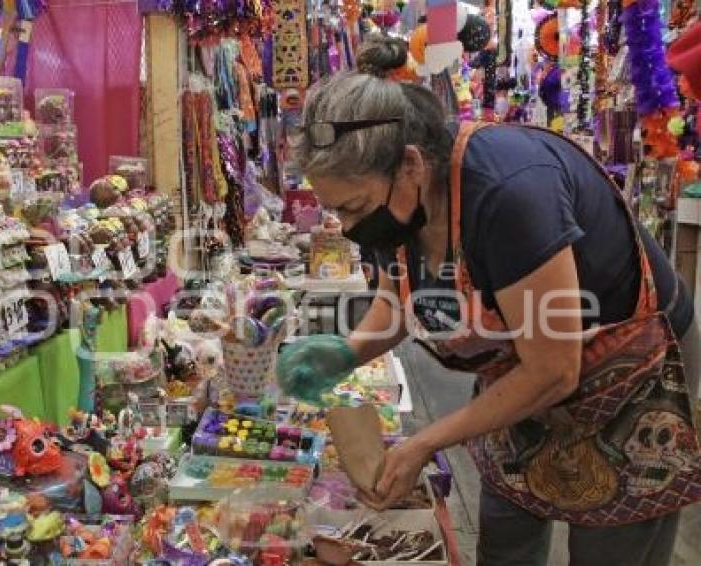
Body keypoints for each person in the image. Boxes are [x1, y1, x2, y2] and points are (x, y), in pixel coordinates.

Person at [277, 35, 701, 566]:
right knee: (507, 536)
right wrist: (347, 350)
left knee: (611, 543)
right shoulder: (400, 206)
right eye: (338, 210)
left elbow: (553, 370)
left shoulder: (508, 192)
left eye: (356, 207)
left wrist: (425, 441)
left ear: (410, 164)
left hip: (627, 369)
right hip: (525, 367)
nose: (351, 227)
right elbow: (400, 302)